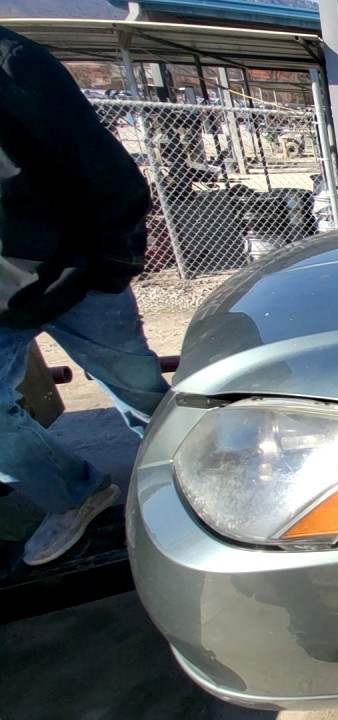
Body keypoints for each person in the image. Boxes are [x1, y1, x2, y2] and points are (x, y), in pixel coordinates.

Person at [1, 26, 170, 565]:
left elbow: (99, 163)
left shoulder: (12, 63)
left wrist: (114, 257)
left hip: (72, 268)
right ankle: (75, 494)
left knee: (139, 391)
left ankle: (185, 479)